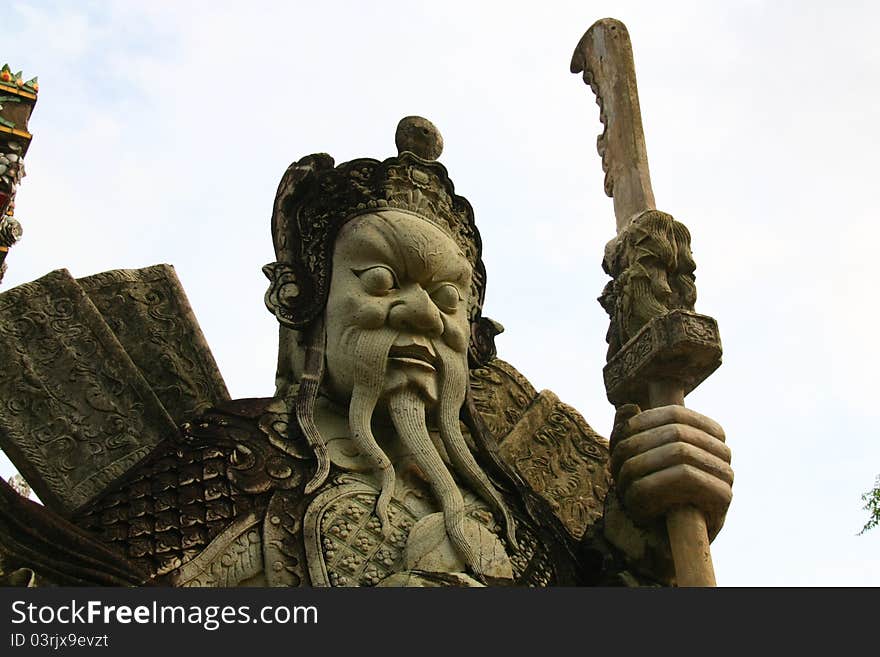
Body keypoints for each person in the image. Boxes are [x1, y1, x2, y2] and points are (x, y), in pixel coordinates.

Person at [0, 117, 732, 587]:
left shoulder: (518, 528)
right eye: (381, 280)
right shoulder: (231, 464)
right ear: (311, 306)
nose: (421, 313)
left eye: (449, 301)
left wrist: (646, 528)